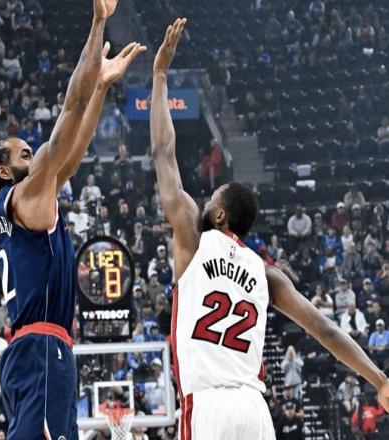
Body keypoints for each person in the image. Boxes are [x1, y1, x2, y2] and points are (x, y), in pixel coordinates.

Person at [150, 18, 389, 440]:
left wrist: (159, 76)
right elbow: (325, 329)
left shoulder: (193, 240)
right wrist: (380, 380)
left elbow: (162, 154)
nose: (206, 200)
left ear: (220, 216)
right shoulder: (266, 274)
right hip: (255, 410)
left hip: (208, 406)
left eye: (213, 197)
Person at [0, 2, 145, 438]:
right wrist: (98, 24)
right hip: (42, 347)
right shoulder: (22, 196)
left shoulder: (16, 206)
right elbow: (68, 115)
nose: (32, 155)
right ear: (4, 171)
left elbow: (70, 157)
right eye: (23, 154)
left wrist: (101, 88)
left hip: (33, 348)